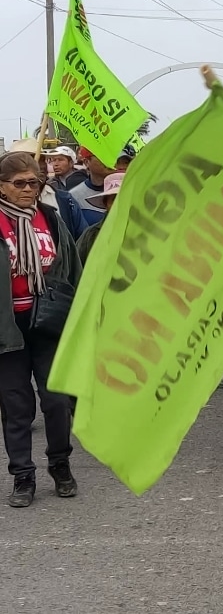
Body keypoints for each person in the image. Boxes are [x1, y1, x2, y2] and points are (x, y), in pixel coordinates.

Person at [0, 151, 82, 507]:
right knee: (16, 405)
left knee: (57, 400)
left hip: (48, 321)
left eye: (34, 182)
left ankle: (60, 464)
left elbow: (71, 268)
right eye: (19, 183)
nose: (28, 190)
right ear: (2, 187)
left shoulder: (49, 218)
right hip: (7, 329)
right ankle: (22, 476)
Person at [74, 172, 123, 266]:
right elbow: (77, 268)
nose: (120, 204)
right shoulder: (91, 235)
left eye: (125, 198)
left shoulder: (146, 234)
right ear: (106, 204)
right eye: (114, 199)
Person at [67, 147, 110, 227]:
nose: (109, 160)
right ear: (87, 162)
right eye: (102, 156)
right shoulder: (74, 196)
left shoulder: (126, 191)